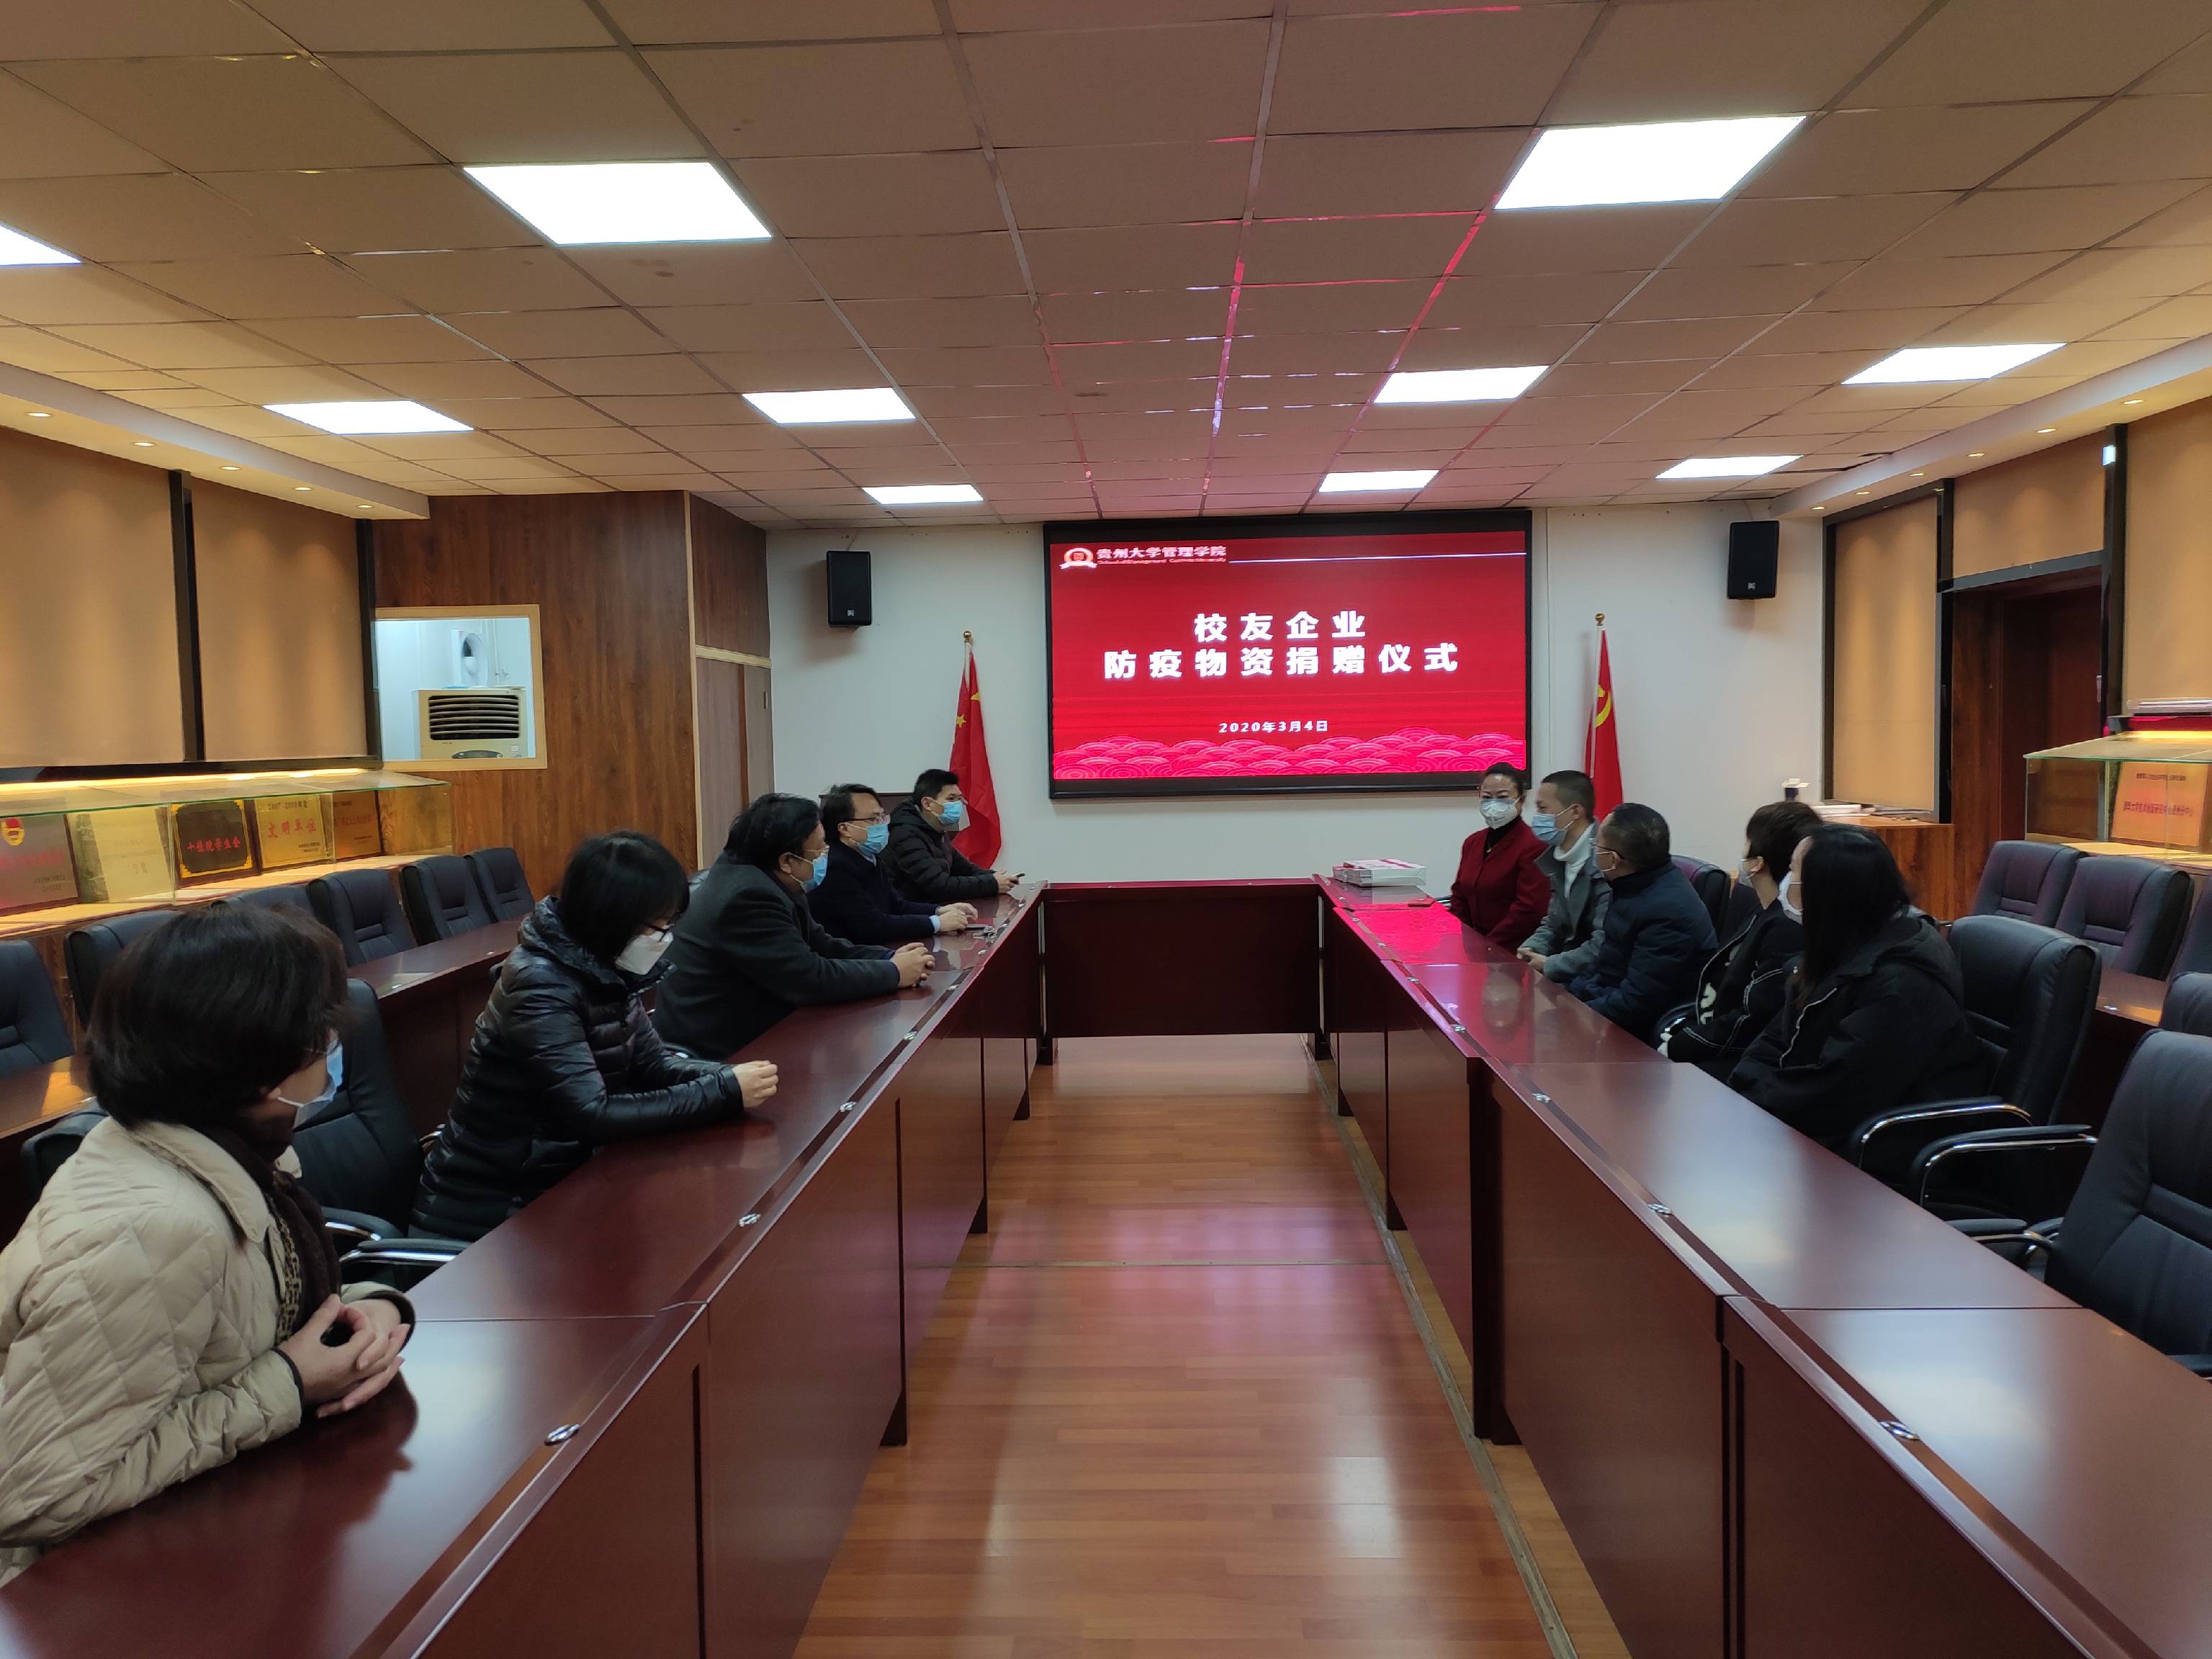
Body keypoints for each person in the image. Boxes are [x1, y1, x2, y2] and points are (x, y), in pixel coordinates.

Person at [0, 904, 414, 1584]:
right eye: (319, 1038)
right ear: (256, 1066)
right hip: (89, 1589)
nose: (331, 1050)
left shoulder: (219, 1152)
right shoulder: (153, 1231)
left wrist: (372, 1311)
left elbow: (256, 1312)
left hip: (210, 1528)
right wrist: (288, 1384)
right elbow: (37, 1495)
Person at [413, 831, 776, 1242]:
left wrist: (728, 1077)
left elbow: (654, 1065)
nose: (666, 937)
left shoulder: (604, 969)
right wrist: (724, 1091)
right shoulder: (540, 985)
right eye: (659, 925)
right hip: (494, 1214)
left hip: (559, 1185)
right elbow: (592, 1113)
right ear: (613, 917)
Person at [1730, 824, 1990, 1152]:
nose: (1786, 883)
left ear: (1829, 892)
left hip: (1880, 1149)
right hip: (1817, 1127)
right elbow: (1777, 1038)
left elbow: (1835, 1093)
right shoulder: (1847, 944)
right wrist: (1744, 1087)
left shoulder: (1901, 984)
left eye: (1794, 872)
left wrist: (1748, 1099)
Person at [655, 793, 932, 1060]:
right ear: (787, 860)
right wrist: (894, 973)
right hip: (719, 1051)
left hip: (758, 1030)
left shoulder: (771, 878)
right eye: (821, 849)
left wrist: (889, 958)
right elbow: (810, 978)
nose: (826, 855)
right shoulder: (746, 897)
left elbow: (822, 945)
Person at [1660, 799, 1823, 1079]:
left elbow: (1754, 1020)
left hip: (1743, 1056)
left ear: (1757, 863)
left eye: (1747, 842)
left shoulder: (1786, 928)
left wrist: (1685, 1044)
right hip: (1719, 1035)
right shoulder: (1762, 909)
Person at [1565, 803, 1717, 1043]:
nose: (1594, 850)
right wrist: (1569, 998)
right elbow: (1605, 964)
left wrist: (1573, 1016)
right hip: (1606, 1002)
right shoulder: (1630, 885)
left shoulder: (1668, 911)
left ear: (1612, 859)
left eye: (1596, 846)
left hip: (1638, 1033)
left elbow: (1636, 1003)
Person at [813, 783, 976, 947]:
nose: (881, 824)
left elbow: (898, 906)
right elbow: (871, 925)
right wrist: (936, 923)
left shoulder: (869, 856)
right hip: (854, 954)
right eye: (873, 819)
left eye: (882, 817)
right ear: (845, 828)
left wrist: (940, 910)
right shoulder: (835, 866)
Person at [1446, 763, 1552, 948]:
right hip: (1473, 947)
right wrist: (1462, 940)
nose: (1493, 804)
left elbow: (1529, 909)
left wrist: (1488, 946)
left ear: (1521, 800)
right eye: (1487, 797)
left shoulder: (1534, 844)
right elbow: (1460, 897)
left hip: (1514, 948)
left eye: (1502, 797)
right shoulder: (1473, 842)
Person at [1517, 770, 1609, 984]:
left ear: (1575, 811)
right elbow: (1554, 923)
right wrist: (1531, 949)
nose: (1537, 818)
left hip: (1598, 979)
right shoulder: (1558, 857)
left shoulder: (1606, 861)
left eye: (1543, 809)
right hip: (1570, 972)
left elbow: (1604, 942)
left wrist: (1551, 964)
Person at [886, 769, 1017, 906]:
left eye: (959, 799)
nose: (958, 804)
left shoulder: (936, 830)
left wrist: (995, 877)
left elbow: (966, 870)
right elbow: (939, 886)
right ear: (927, 804)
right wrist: (992, 884)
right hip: (912, 913)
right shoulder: (904, 834)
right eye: (951, 799)